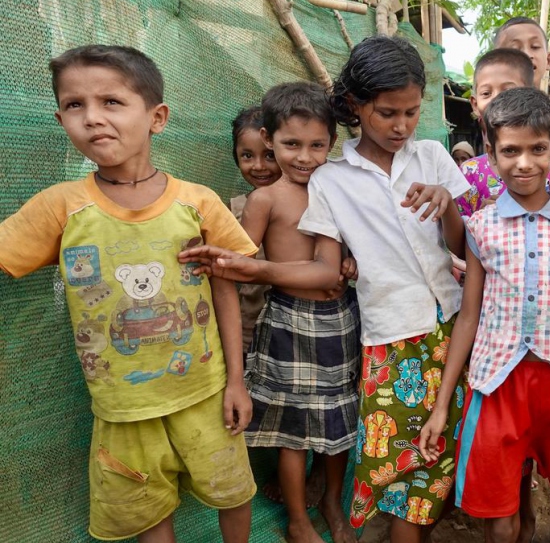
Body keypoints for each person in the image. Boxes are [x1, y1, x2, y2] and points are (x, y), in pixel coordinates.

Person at [179, 35, 470, 543]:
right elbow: (323, 265)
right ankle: (324, 515)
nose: (402, 125)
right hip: (387, 331)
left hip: (451, 321)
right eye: (387, 113)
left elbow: (460, 248)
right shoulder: (331, 181)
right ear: (355, 108)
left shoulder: (430, 157)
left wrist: (447, 203)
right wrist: (246, 267)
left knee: (444, 448)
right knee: (391, 455)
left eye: (411, 112)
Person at [0, 45, 256, 542]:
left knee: (233, 492)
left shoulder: (197, 202)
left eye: (111, 102)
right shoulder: (61, 208)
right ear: (60, 118)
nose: (92, 118)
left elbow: (227, 291)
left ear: (156, 117)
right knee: (145, 510)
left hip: (205, 393)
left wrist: (236, 382)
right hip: (121, 408)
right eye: (75, 106)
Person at [418, 87, 550, 543]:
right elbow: (469, 317)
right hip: (496, 384)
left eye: (537, 149)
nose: (524, 163)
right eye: (510, 150)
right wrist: (444, 402)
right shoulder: (481, 227)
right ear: (490, 151)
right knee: (499, 517)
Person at [239, 82, 361, 543]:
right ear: (269, 140)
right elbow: (246, 262)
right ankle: (297, 519)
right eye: (291, 145)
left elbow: (354, 247)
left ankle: (330, 500)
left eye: (317, 145)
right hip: (289, 321)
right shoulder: (267, 199)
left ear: (332, 143)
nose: (305, 157)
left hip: (341, 322)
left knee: (337, 420)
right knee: (292, 430)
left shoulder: (338, 190)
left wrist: (350, 260)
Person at [457, 31, 550, 217]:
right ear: (474, 103)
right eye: (486, 93)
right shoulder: (469, 171)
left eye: (508, 90)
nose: (498, 98)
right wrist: (482, 218)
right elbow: (462, 235)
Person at [229, 106, 281, 353]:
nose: (258, 166)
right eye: (247, 156)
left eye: (269, 155)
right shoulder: (235, 209)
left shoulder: (310, 204)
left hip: (293, 325)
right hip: (249, 330)